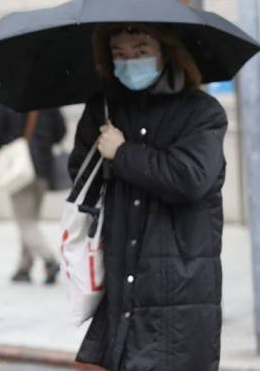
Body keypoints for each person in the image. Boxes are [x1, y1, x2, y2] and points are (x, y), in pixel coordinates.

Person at [70, 23, 227, 370]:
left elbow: (189, 178)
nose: (129, 60)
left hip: (180, 287)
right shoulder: (104, 109)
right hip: (121, 282)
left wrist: (124, 154)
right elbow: (80, 179)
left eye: (140, 50)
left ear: (166, 51)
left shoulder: (201, 112)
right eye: (119, 53)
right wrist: (101, 156)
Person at [0, 103, 66, 284]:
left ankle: (49, 259)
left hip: (19, 168)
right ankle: (24, 268)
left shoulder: (6, 99)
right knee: (30, 221)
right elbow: (61, 131)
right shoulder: (48, 98)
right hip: (43, 167)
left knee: (25, 222)